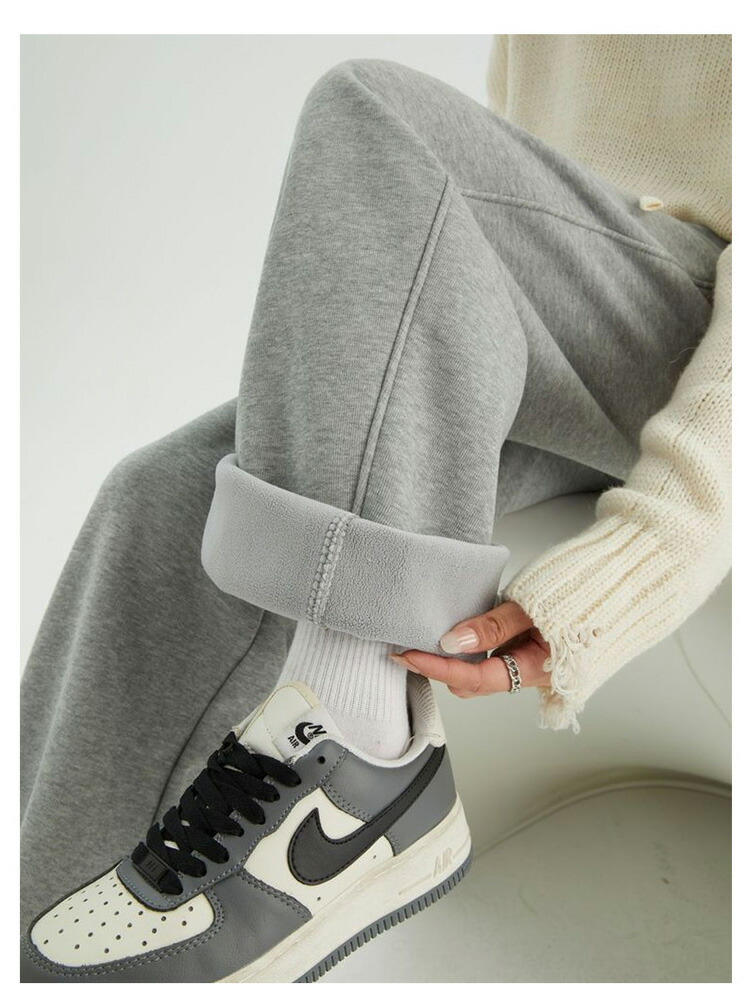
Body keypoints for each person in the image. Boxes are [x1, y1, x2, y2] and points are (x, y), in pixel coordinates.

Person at [21, 34, 730, 983]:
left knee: (384, 123)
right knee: (164, 495)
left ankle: (363, 745)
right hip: (578, 284)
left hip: (709, 324)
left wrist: (653, 549)